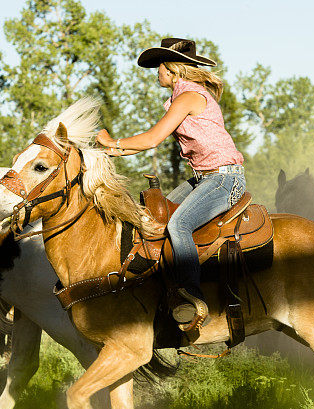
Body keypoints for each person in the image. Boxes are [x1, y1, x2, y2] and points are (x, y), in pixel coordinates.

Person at [96, 37, 246, 330]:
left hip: (225, 178)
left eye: (159, 67)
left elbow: (152, 139)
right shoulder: (185, 96)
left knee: (178, 225)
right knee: (154, 216)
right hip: (206, 178)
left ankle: (192, 299)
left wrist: (111, 141)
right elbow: (145, 144)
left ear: (172, 69)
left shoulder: (189, 97)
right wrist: (108, 151)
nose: (157, 72)